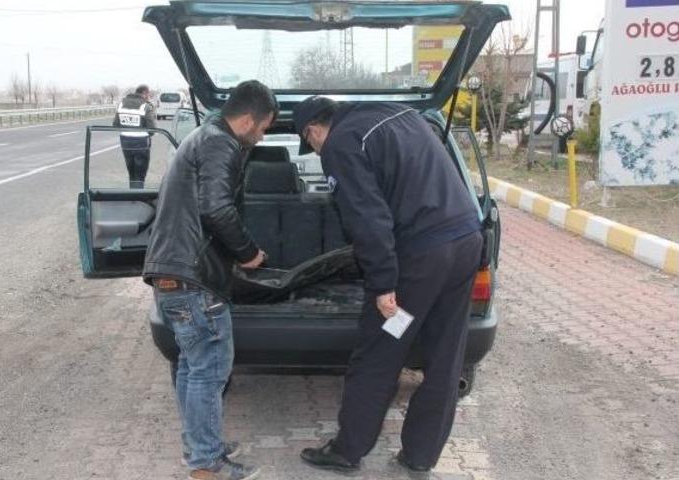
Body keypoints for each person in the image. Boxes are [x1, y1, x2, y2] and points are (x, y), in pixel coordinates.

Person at [294, 96, 484, 474]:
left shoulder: (341, 142)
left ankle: (347, 451)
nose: (317, 152)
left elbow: (368, 218)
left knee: (379, 353)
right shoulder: (399, 113)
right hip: (466, 241)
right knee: (446, 357)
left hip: (422, 257)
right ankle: (420, 456)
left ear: (313, 130)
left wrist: (383, 284)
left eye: (312, 146)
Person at [142, 80, 278, 480]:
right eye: (265, 127)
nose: (263, 135)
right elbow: (216, 208)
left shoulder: (201, 137)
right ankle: (207, 465)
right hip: (193, 278)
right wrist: (249, 253)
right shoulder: (222, 143)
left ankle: (200, 446)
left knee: (191, 366)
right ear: (249, 119)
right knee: (210, 369)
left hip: (171, 272)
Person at [113, 84, 157, 188]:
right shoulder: (145, 106)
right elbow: (152, 129)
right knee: (140, 174)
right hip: (141, 144)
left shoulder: (121, 104)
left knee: (131, 172)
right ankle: (138, 196)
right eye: (148, 94)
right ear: (144, 93)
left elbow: (115, 125)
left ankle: (132, 194)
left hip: (125, 143)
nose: (149, 96)